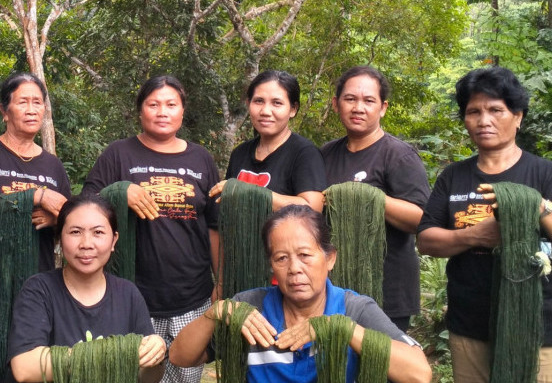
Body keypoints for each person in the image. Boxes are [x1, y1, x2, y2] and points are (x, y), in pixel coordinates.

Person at [169, 205, 432, 383]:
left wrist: (343, 330)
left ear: (330, 259)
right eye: (281, 258)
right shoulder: (249, 307)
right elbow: (180, 357)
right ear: (271, 264)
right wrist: (214, 314)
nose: (294, 269)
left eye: (305, 255)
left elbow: (420, 374)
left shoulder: (354, 309)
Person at [81, 75, 220, 383]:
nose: (162, 112)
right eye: (153, 104)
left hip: (192, 295)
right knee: (133, 375)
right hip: (133, 294)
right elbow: (85, 206)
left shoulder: (200, 158)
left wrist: (219, 282)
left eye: (171, 105)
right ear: (140, 110)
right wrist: (119, 191)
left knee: (186, 374)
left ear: (182, 111)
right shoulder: (118, 154)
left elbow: (214, 226)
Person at [417, 67, 552, 382]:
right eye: (473, 111)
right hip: (470, 324)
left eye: (496, 110)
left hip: (538, 326)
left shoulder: (544, 173)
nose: (483, 120)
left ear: (517, 116)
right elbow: (426, 240)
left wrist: (537, 206)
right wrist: (476, 235)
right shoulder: (454, 176)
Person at [0, 72, 71, 383]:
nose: (32, 109)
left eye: (37, 102)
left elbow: (71, 217)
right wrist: (36, 197)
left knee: (26, 371)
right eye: (23, 102)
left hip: (36, 288)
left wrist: (56, 218)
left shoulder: (52, 165)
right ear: (5, 111)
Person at [8, 195, 166, 382]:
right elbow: (24, 368)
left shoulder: (128, 293)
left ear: (114, 240)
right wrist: (110, 355)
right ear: (59, 238)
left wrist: (155, 354)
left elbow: (148, 378)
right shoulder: (39, 290)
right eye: (75, 232)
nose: (86, 244)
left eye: (98, 232)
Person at [320, 66, 429, 331]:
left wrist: (367, 196)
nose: (359, 107)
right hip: (334, 288)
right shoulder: (325, 154)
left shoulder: (399, 156)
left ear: (383, 108)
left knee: (380, 368)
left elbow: (422, 220)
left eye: (369, 101)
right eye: (350, 99)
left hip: (387, 292)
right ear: (336, 104)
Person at [209, 70, 326, 212]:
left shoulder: (304, 153)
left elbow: (312, 207)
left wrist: (248, 192)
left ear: (293, 109)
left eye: (277, 103)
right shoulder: (240, 153)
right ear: (248, 103)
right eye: (258, 101)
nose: (265, 111)